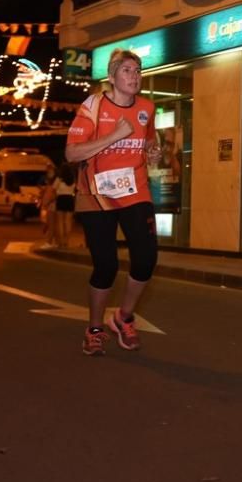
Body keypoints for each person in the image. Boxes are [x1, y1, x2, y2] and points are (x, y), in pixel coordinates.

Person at [65, 49, 162, 357]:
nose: (134, 76)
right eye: (127, 71)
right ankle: (94, 328)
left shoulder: (147, 107)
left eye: (138, 71)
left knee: (146, 258)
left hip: (135, 191)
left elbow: (149, 140)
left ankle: (123, 317)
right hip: (96, 194)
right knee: (106, 265)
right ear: (112, 77)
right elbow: (72, 154)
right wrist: (115, 135)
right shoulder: (93, 106)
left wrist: (153, 152)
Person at [54, 164, 76, 248]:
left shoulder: (59, 180)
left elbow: (53, 189)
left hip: (61, 199)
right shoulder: (72, 180)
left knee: (60, 221)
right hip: (70, 199)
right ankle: (67, 241)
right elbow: (75, 189)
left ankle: (61, 242)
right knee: (68, 221)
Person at [39, 165, 58, 248]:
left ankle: (49, 242)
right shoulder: (49, 181)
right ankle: (53, 242)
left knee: (51, 224)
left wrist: (47, 202)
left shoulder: (55, 181)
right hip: (49, 205)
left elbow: (54, 195)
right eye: (48, 171)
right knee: (50, 224)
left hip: (51, 205)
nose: (48, 173)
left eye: (50, 171)